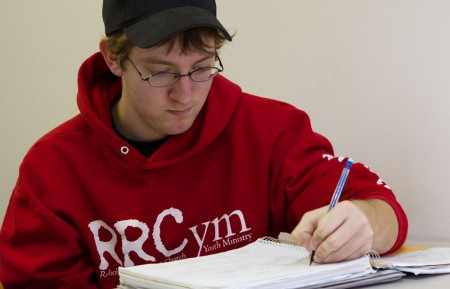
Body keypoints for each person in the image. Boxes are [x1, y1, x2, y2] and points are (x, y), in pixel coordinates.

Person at [0, 1, 408, 288]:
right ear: (112, 58)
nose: (186, 95)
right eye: (160, 73)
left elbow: (380, 209)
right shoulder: (52, 170)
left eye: (201, 68)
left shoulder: (269, 129)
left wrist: (365, 223)